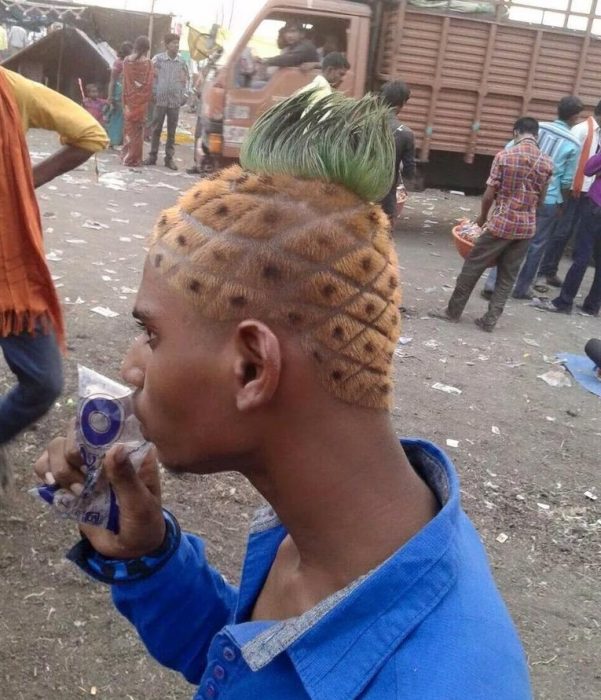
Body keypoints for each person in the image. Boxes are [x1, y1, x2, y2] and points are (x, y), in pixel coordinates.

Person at [35, 91, 531, 699]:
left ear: (251, 368)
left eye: (150, 334)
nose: (132, 367)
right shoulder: (328, 532)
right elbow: (252, 668)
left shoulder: (445, 683)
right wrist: (150, 558)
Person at [0, 67, 108, 493]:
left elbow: (91, 134)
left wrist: (24, 180)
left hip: (8, 273)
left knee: (44, 382)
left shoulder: (11, 91)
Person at [432, 117, 552, 332]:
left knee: (472, 267)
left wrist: (482, 218)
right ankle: (490, 320)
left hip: (501, 223)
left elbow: (489, 195)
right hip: (526, 228)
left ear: (516, 132)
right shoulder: (546, 163)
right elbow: (541, 200)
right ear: (536, 135)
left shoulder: (504, 156)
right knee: (507, 276)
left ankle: (453, 312)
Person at [483, 96, 583, 299]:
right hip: (548, 199)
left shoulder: (537, 129)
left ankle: (493, 284)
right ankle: (521, 288)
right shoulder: (572, 142)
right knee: (536, 244)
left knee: (506, 236)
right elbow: (565, 180)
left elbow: (509, 148)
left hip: (517, 194)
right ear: (574, 117)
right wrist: (562, 203)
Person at [537, 100, 601, 288]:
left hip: (588, 192)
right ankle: (543, 272)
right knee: (561, 232)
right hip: (574, 189)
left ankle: (550, 271)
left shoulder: (594, 132)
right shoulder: (581, 130)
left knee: (570, 233)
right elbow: (567, 159)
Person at [535, 149, 601, 316]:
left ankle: (564, 302)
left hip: (596, 206)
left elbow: (588, 169)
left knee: (582, 256)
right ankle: (592, 306)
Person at [143, 33, 189, 171]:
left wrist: (184, 95)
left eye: (177, 43)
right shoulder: (158, 60)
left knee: (171, 130)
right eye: (173, 43)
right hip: (160, 99)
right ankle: (152, 156)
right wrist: (152, 92)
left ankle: (169, 158)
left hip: (175, 100)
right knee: (156, 128)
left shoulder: (181, 62)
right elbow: (149, 76)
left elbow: (186, 79)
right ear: (167, 45)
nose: (176, 45)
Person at [379, 80, 416, 224]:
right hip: (385, 200)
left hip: (359, 198)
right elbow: (409, 172)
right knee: (384, 240)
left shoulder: (362, 126)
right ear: (402, 104)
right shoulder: (405, 134)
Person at [121, 36, 154, 168]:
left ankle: (126, 156)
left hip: (129, 100)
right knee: (139, 131)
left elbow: (125, 82)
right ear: (147, 48)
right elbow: (149, 85)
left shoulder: (126, 61)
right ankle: (135, 159)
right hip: (142, 103)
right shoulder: (149, 63)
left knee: (129, 130)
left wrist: (125, 99)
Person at [106, 41, 133, 148]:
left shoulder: (130, 63)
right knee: (117, 117)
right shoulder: (119, 63)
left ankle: (118, 141)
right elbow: (112, 80)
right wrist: (110, 97)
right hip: (118, 93)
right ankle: (114, 141)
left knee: (123, 118)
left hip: (127, 93)